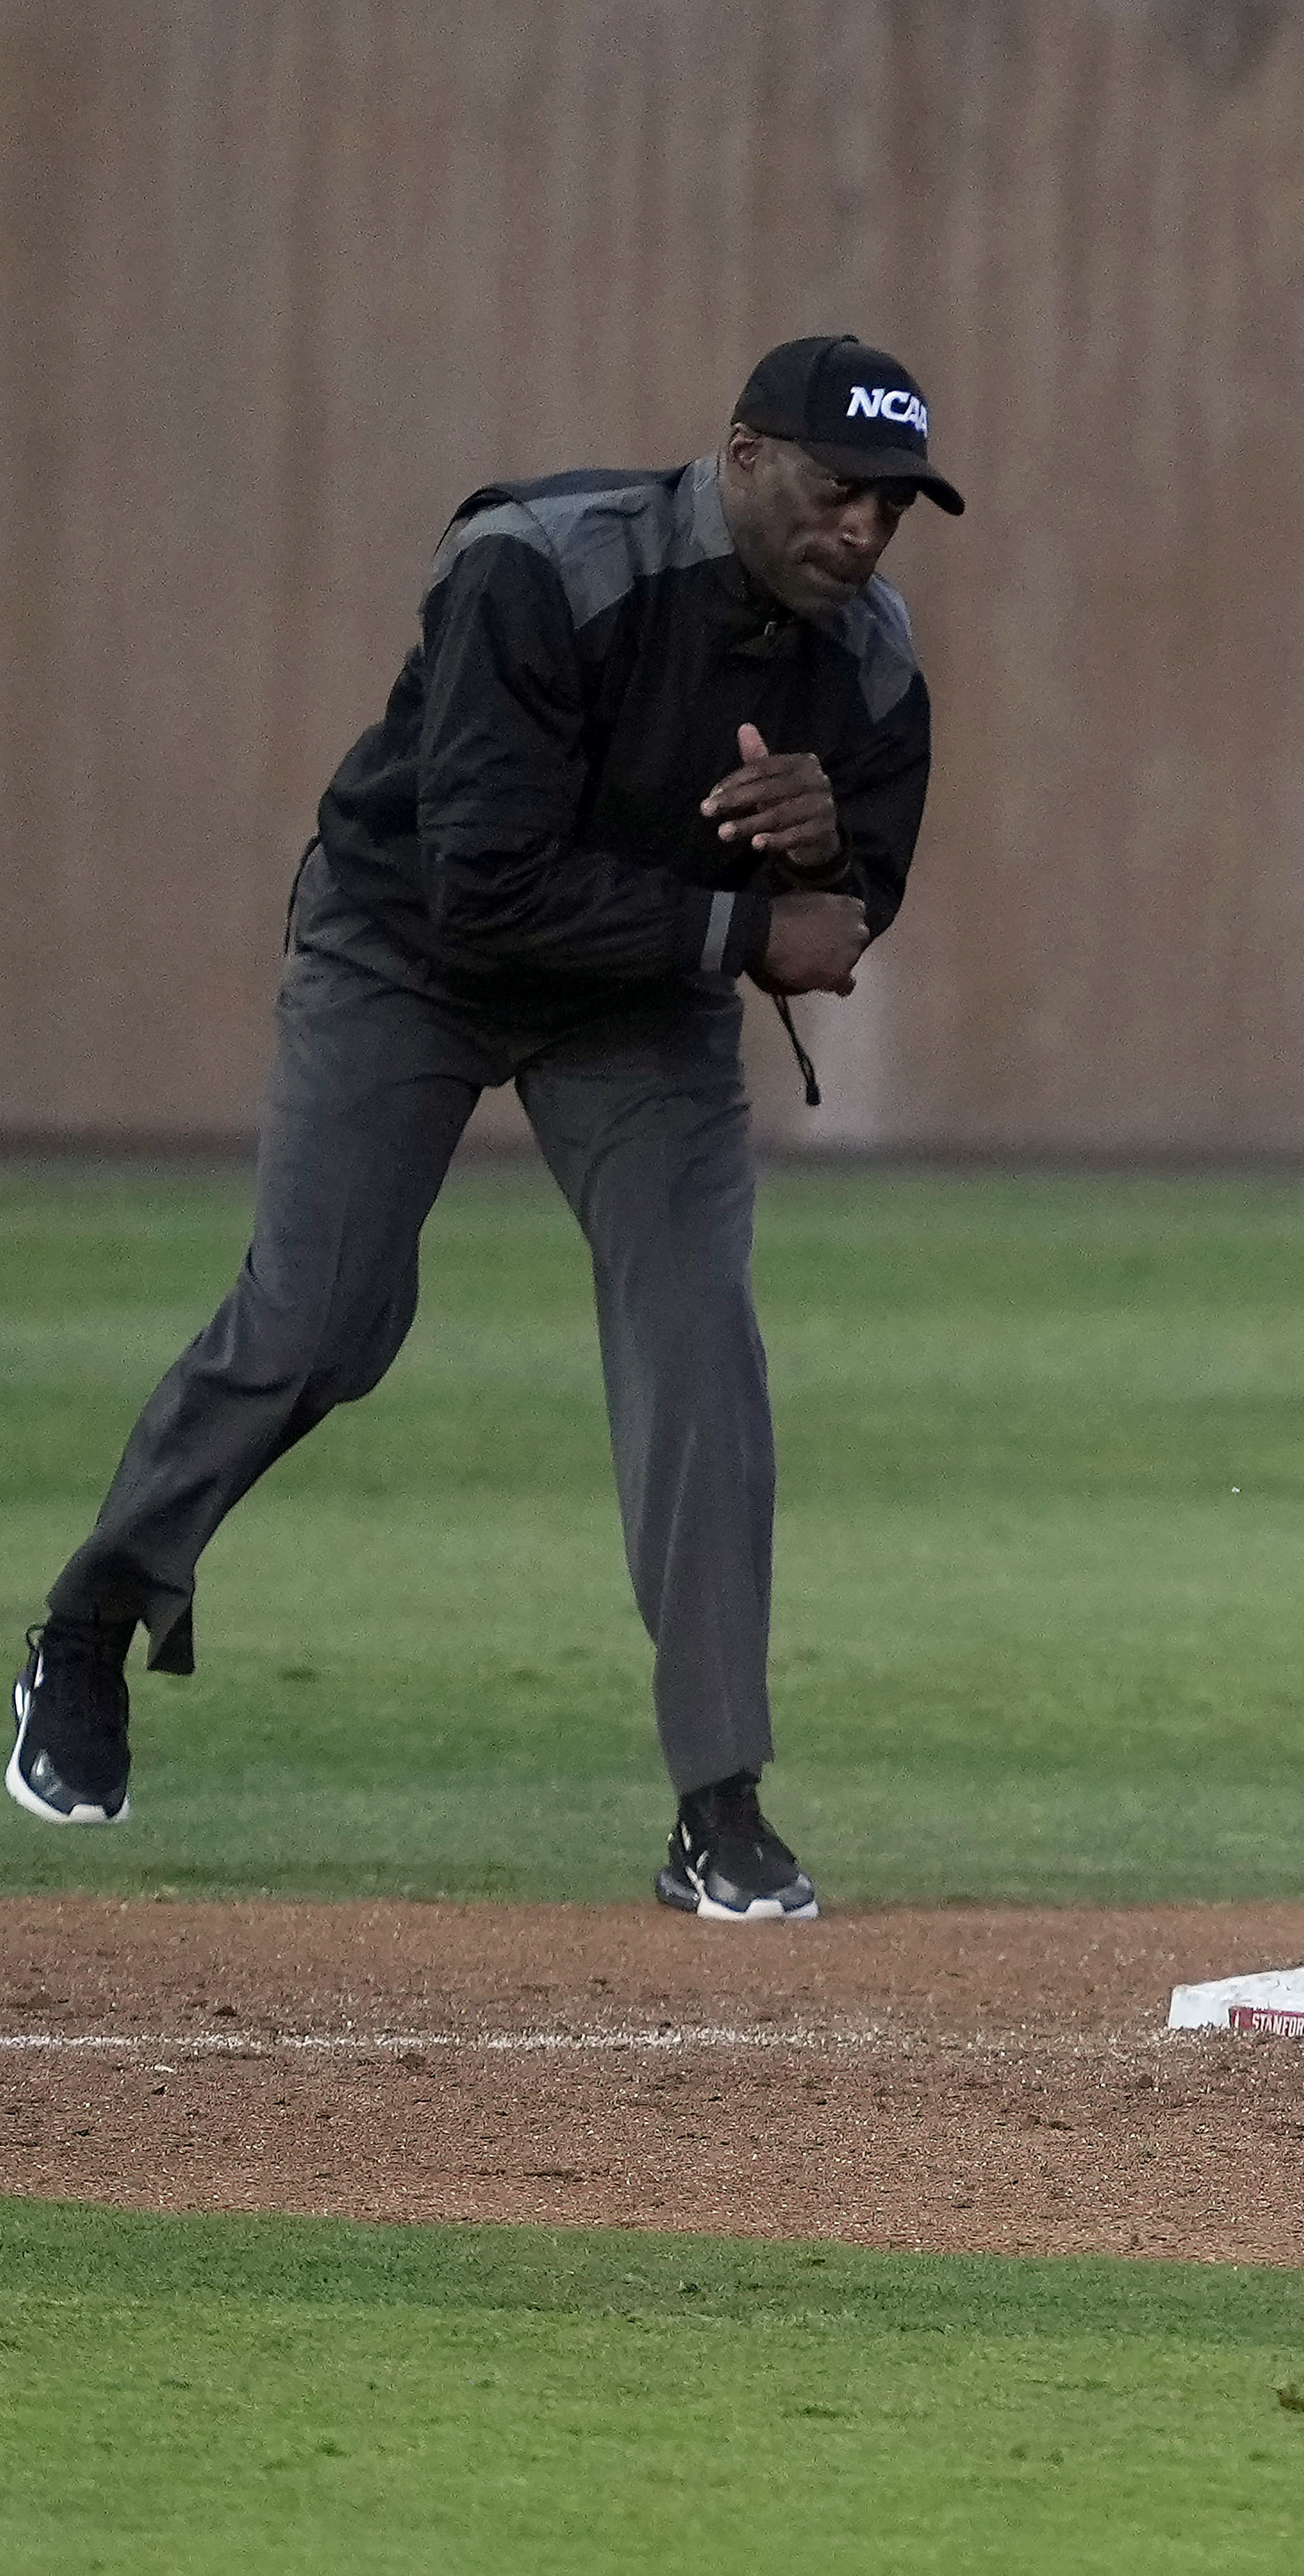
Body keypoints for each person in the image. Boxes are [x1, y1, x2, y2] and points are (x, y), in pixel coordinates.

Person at [8, 335, 962, 1923]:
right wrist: (747, 931)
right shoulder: (534, 567)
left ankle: (717, 1808)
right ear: (739, 459)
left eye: (894, 506)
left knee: (698, 1339)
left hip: (634, 1007)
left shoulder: (868, 659)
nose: (864, 530)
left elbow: (851, 908)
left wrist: (821, 863)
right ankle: (91, 1623)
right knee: (323, 1321)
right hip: (411, 953)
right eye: (837, 488)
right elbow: (483, 882)